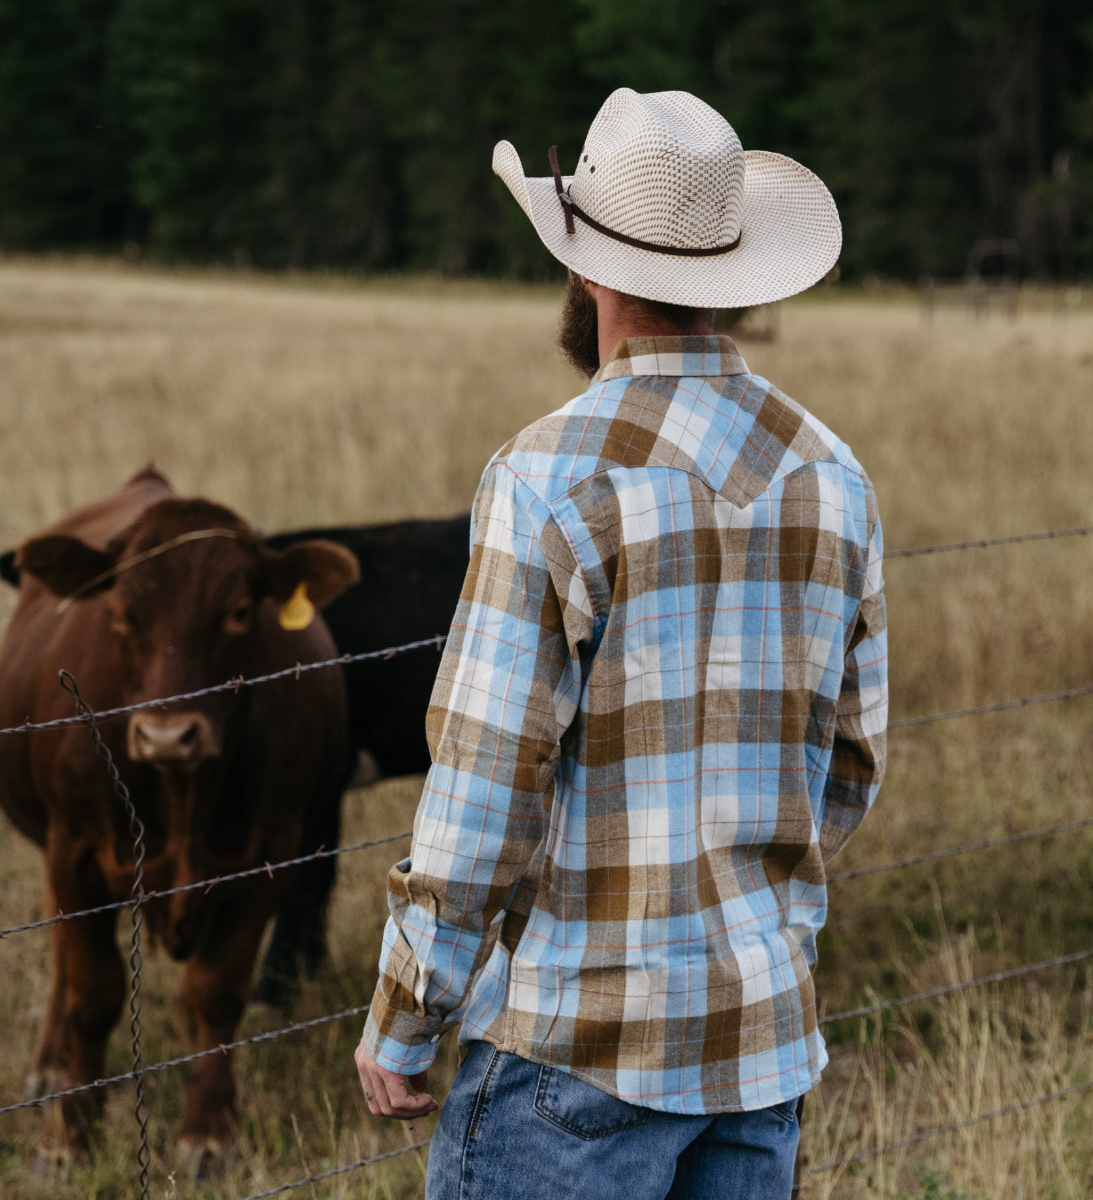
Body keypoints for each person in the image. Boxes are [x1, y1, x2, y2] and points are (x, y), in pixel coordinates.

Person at [355, 87, 887, 1199]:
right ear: (728, 273)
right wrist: (739, 902)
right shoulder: (832, 474)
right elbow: (849, 764)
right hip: (759, 1046)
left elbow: (486, 780)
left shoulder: (549, 474)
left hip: (578, 1046)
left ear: (587, 268)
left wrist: (408, 1013)